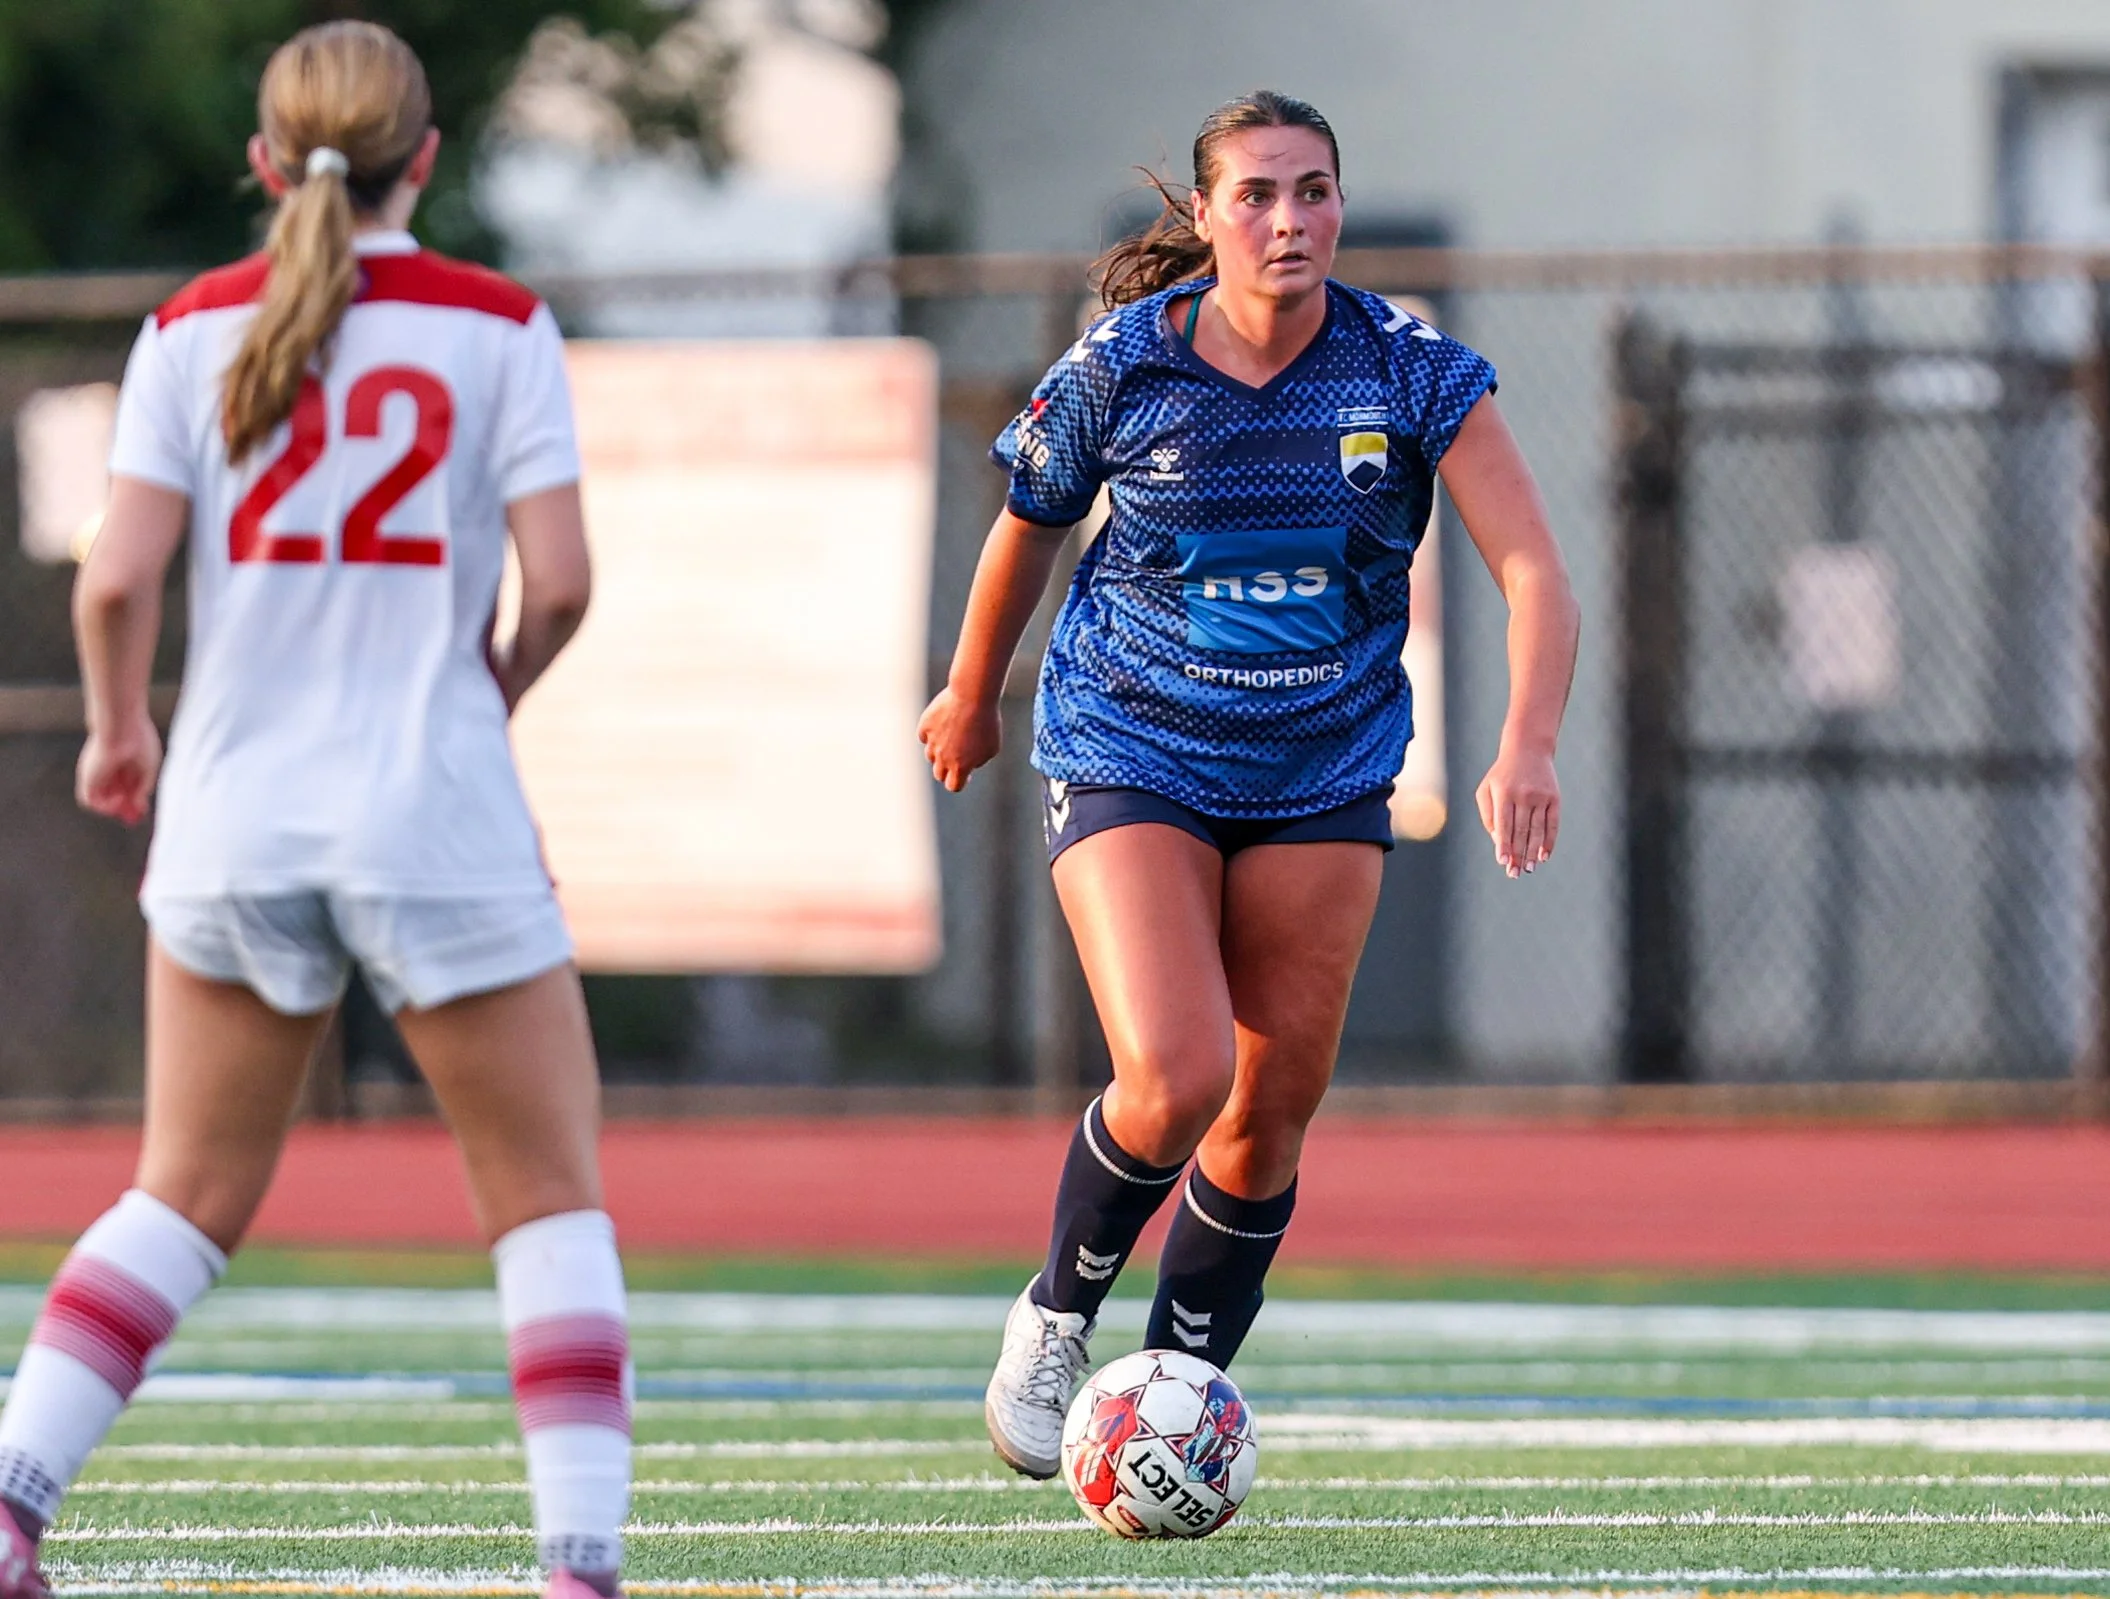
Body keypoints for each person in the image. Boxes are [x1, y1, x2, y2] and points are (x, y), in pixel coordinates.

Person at [0, 24, 630, 1599]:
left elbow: (119, 575)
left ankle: (10, 1509)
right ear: (427, 157)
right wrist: (492, 684)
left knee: (182, 1193)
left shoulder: (191, 328)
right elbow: (558, 584)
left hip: (233, 819)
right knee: (545, 1200)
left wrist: (121, 732)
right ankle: (574, 1564)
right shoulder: (497, 326)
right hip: (434, 812)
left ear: (270, 165)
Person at [917, 89, 1580, 1478]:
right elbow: (1023, 533)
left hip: (1322, 763)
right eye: (1260, 194)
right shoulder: (1120, 367)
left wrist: (1524, 740)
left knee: (1268, 1106)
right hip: (1132, 744)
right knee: (1174, 1070)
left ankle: (1175, 1397)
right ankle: (1053, 1315)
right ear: (1207, 216)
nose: (1291, 220)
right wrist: (970, 692)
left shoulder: (1407, 367)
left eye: (1315, 190)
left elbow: (1529, 568)